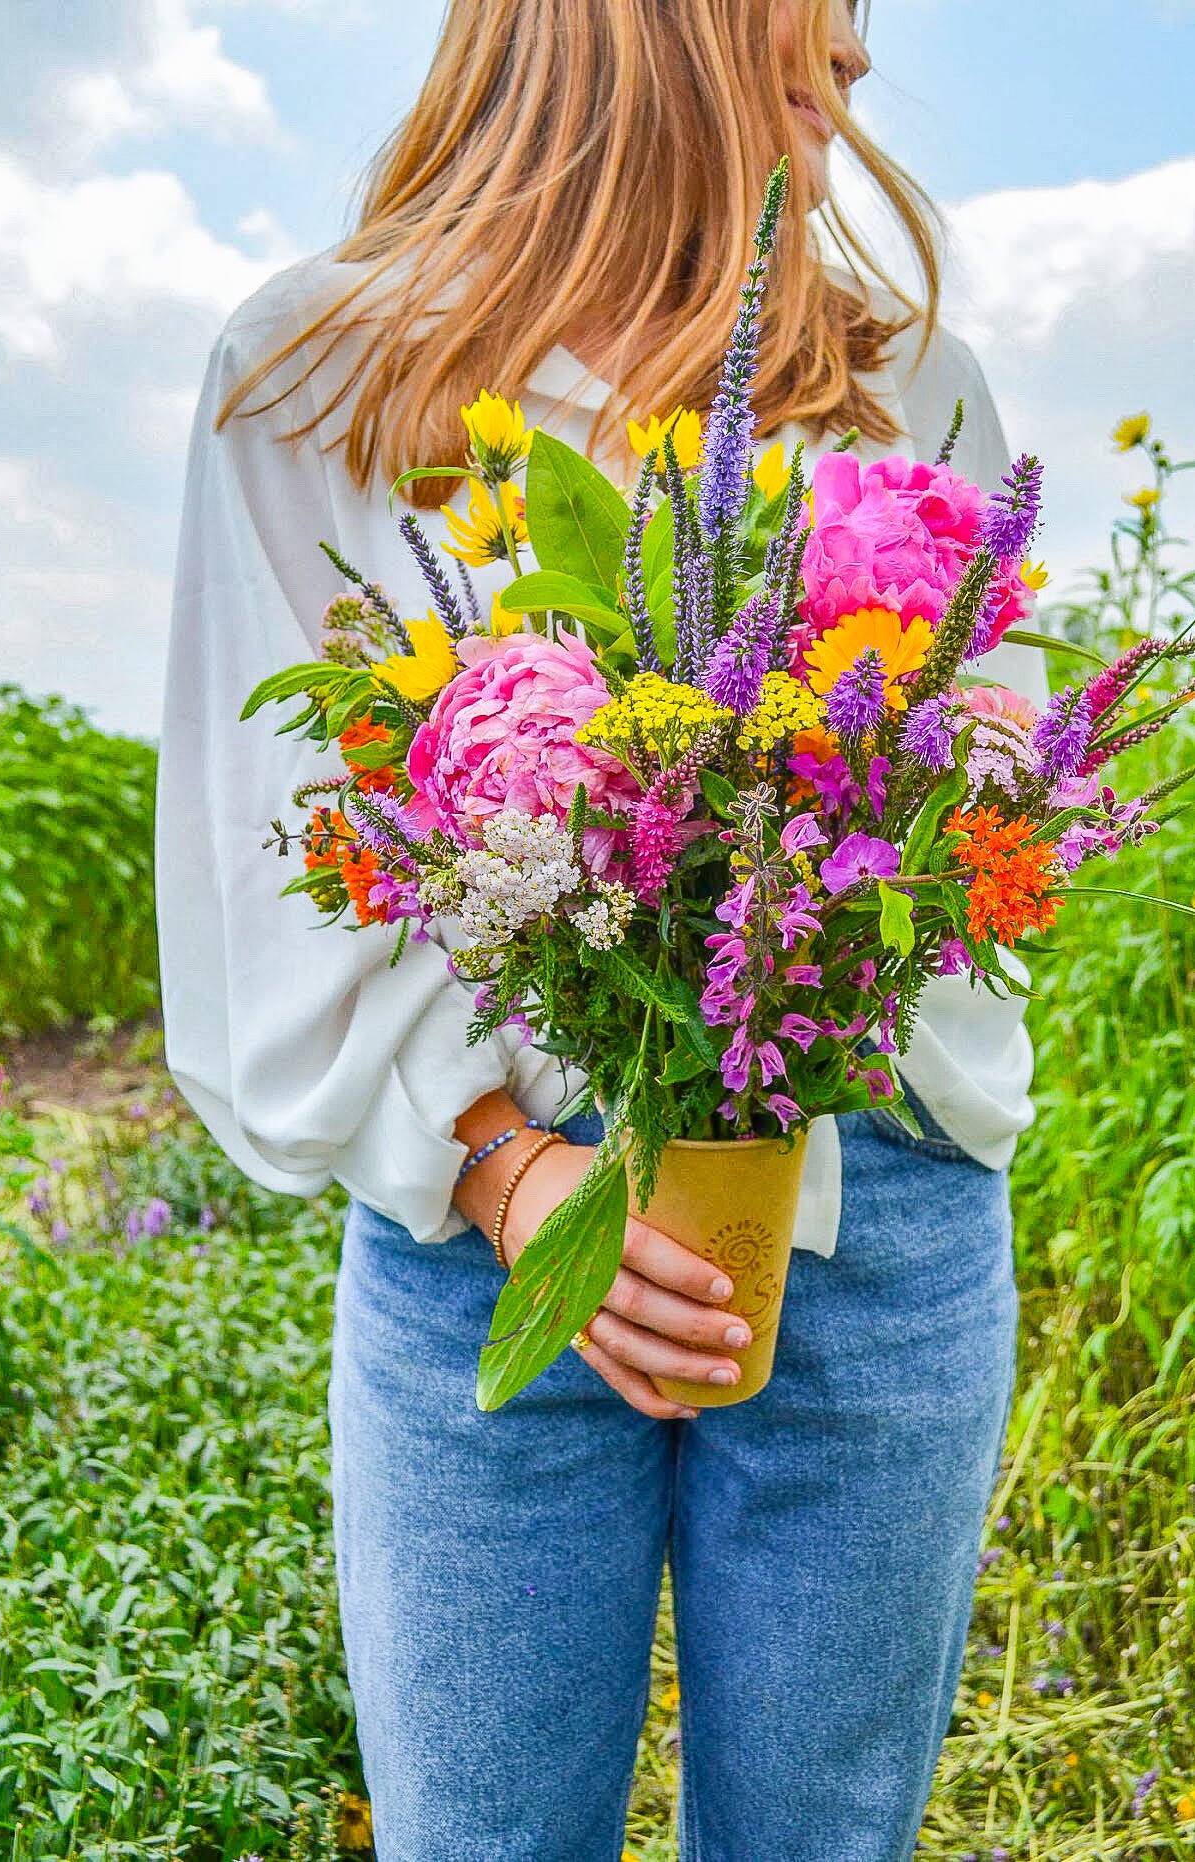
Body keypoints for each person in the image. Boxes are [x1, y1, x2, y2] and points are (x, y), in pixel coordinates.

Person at [157, 2, 1049, 1855]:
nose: (856, 60)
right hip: (486, 1223)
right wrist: (502, 1170)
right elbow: (263, 870)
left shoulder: (914, 385)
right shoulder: (318, 378)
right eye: (821, 14)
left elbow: (993, 816)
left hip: (872, 1204)